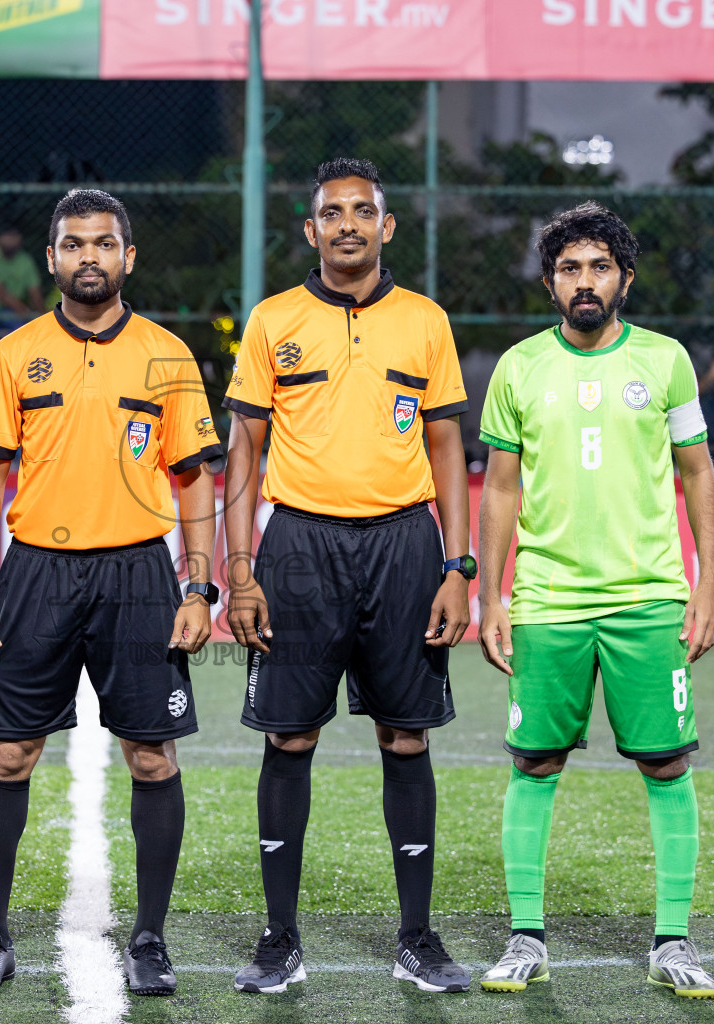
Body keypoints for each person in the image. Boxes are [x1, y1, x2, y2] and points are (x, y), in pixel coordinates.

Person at [0, 189, 221, 998]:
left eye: (105, 244)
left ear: (127, 257)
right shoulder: (16, 353)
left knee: (151, 756)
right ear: (52, 259)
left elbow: (193, 478)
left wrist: (198, 583)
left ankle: (149, 940)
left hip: (140, 573)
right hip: (37, 571)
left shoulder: (168, 355)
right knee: (10, 754)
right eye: (74, 244)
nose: (89, 257)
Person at [222, 158, 474, 996]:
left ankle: (418, 937)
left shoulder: (425, 323)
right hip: (298, 547)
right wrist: (240, 569)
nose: (349, 225)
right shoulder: (272, 321)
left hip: (405, 545)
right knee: (289, 737)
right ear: (311, 229)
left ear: (387, 226)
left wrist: (457, 566)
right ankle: (279, 940)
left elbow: (447, 451)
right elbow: (244, 455)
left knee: (406, 736)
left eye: (364, 211)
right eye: (333, 213)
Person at [474, 202, 714, 999]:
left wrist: (709, 579)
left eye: (600, 267)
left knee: (664, 762)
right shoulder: (518, 367)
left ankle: (674, 941)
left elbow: (696, 472)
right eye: (570, 268)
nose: (586, 281)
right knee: (536, 760)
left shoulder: (667, 361)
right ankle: (525, 937)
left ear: (624, 277)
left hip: (649, 597)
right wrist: (492, 595)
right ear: (551, 282)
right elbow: (501, 490)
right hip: (547, 599)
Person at [0, 225, 44, 318]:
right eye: (7, 235)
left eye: (14, 235)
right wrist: (25, 313)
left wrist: (42, 316)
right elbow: (0, 292)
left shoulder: (26, 261)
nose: (11, 240)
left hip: (13, 312)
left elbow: (35, 293)